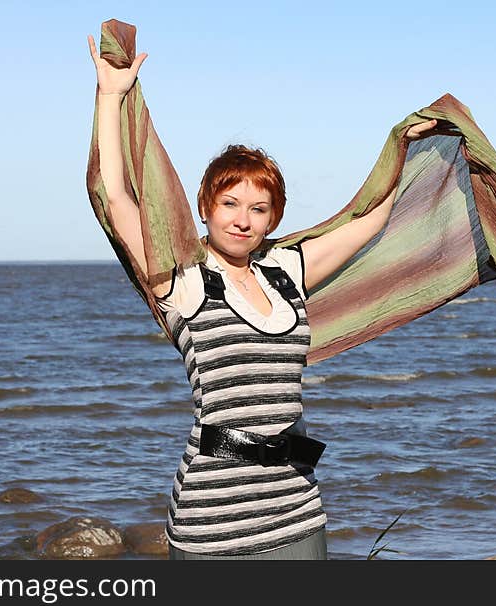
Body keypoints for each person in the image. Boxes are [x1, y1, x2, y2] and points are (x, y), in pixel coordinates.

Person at [87, 34, 436, 559]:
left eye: (259, 208)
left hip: (297, 509)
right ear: (205, 207)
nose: (242, 219)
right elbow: (116, 197)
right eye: (230, 203)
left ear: (274, 217)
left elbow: (370, 222)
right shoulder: (180, 279)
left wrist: (404, 142)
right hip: (213, 521)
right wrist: (109, 96)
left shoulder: (285, 269)